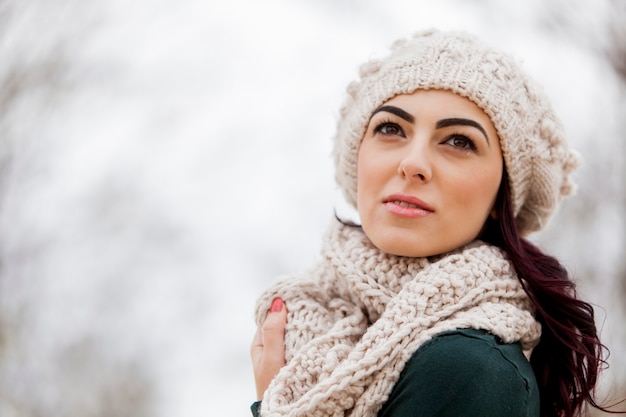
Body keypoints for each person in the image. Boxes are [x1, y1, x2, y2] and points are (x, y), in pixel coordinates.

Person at [249, 29, 616, 417]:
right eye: (390, 128)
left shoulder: (470, 370)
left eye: (458, 141)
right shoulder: (309, 325)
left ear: (501, 196)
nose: (413, 164)